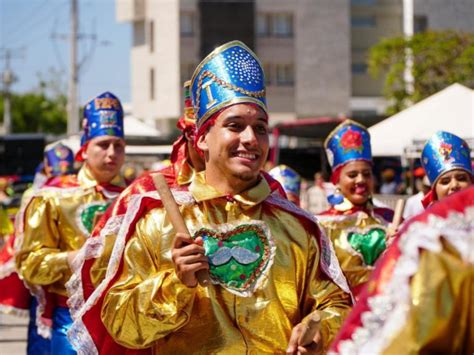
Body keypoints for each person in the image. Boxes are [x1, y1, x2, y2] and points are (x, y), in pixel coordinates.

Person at [71, 41, 351, 355]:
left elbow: (337, 306)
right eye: (234, 126)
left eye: (259, 128)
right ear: (202, 138)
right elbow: (121, 326)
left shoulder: (299, 228)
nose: (250, 139)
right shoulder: (156, 221)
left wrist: (319, 328)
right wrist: (175, 284)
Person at [15, 91, 127, 354]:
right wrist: (69, 259)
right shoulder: (53, 197)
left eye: (119, 146)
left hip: (124, 321)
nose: (112, 153)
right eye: (103, 145)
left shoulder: (135, 196)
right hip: (72, 321)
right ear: (85, 150)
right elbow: (29, 263)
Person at [330, 185, 474, 354]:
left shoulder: (396, 222)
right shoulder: (427, 235)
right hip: (361, 307)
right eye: (446, 181)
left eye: (366, 174)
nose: (454, 186)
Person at [1, 142, 75, 355]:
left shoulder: (81, 192)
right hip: (46, 272)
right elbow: (26, 241)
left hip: (69, 281)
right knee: (41, 330)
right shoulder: (37, 195)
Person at [317, 119, 394, 299]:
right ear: (336, 181)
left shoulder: (391, 218)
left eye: (366, 174)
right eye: (352, 175)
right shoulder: (321, 225)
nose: (360, 180)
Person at [420, 130, 473, 208]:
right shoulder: (424, 220)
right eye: (445, 182)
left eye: (461, 178)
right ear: (435, 192)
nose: (454, 185)